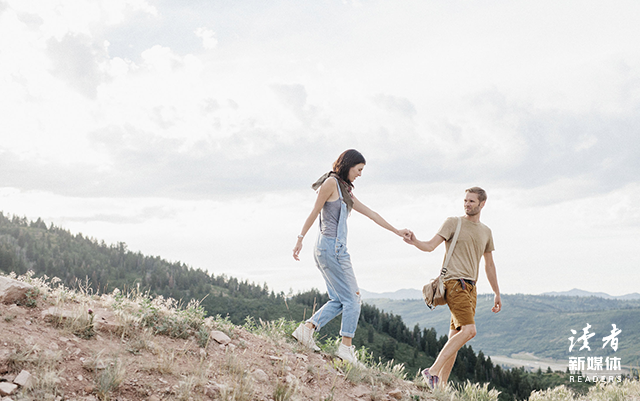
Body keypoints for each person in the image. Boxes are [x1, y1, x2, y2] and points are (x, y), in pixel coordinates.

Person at [292, 149, 410, 365]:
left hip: (329, 249)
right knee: (354, 299)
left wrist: (396, 231)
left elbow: (372, 214)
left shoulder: (345, 190)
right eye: (359, 169)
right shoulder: (331, 184)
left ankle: (306, 330)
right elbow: (314, 212)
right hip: (332, 249)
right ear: (348, 165)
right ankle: (345, 348)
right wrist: (300, 239)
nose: (360, 174)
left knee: (339, 299)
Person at [404, 187, 501, 388]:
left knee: (456, 337)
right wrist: (415, 242)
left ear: (482, 204)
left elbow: (489, 265)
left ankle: (441, 387)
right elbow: (430, 246)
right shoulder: (453, 223)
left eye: (472, 201)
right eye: (465, 201)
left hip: (471, 288)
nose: (467, 204)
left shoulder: (486, 232)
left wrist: (496, 292)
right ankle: (431, 372)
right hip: (455, 283)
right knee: (469, 330)